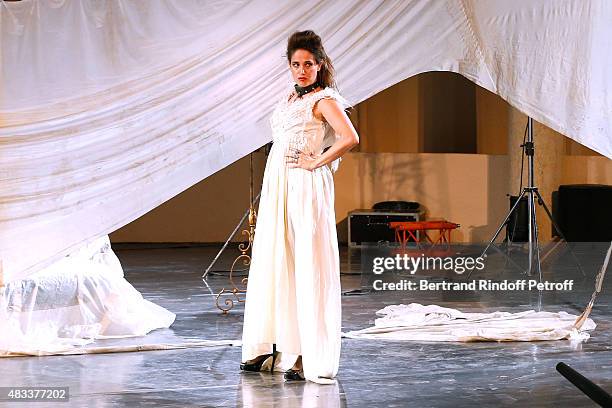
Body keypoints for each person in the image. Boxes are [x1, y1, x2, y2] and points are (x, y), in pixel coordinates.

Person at [240, 30, 359, 384]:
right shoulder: (292, 97)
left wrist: (317, 161)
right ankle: (274, 344)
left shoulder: (323, 99)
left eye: (308, 64)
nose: (302, 70)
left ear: (320, 66)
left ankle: (309, 354)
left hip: (305, 186)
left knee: (307, 261)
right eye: (296, 64)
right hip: (280, 185)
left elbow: (350, 137)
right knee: (278, 259)